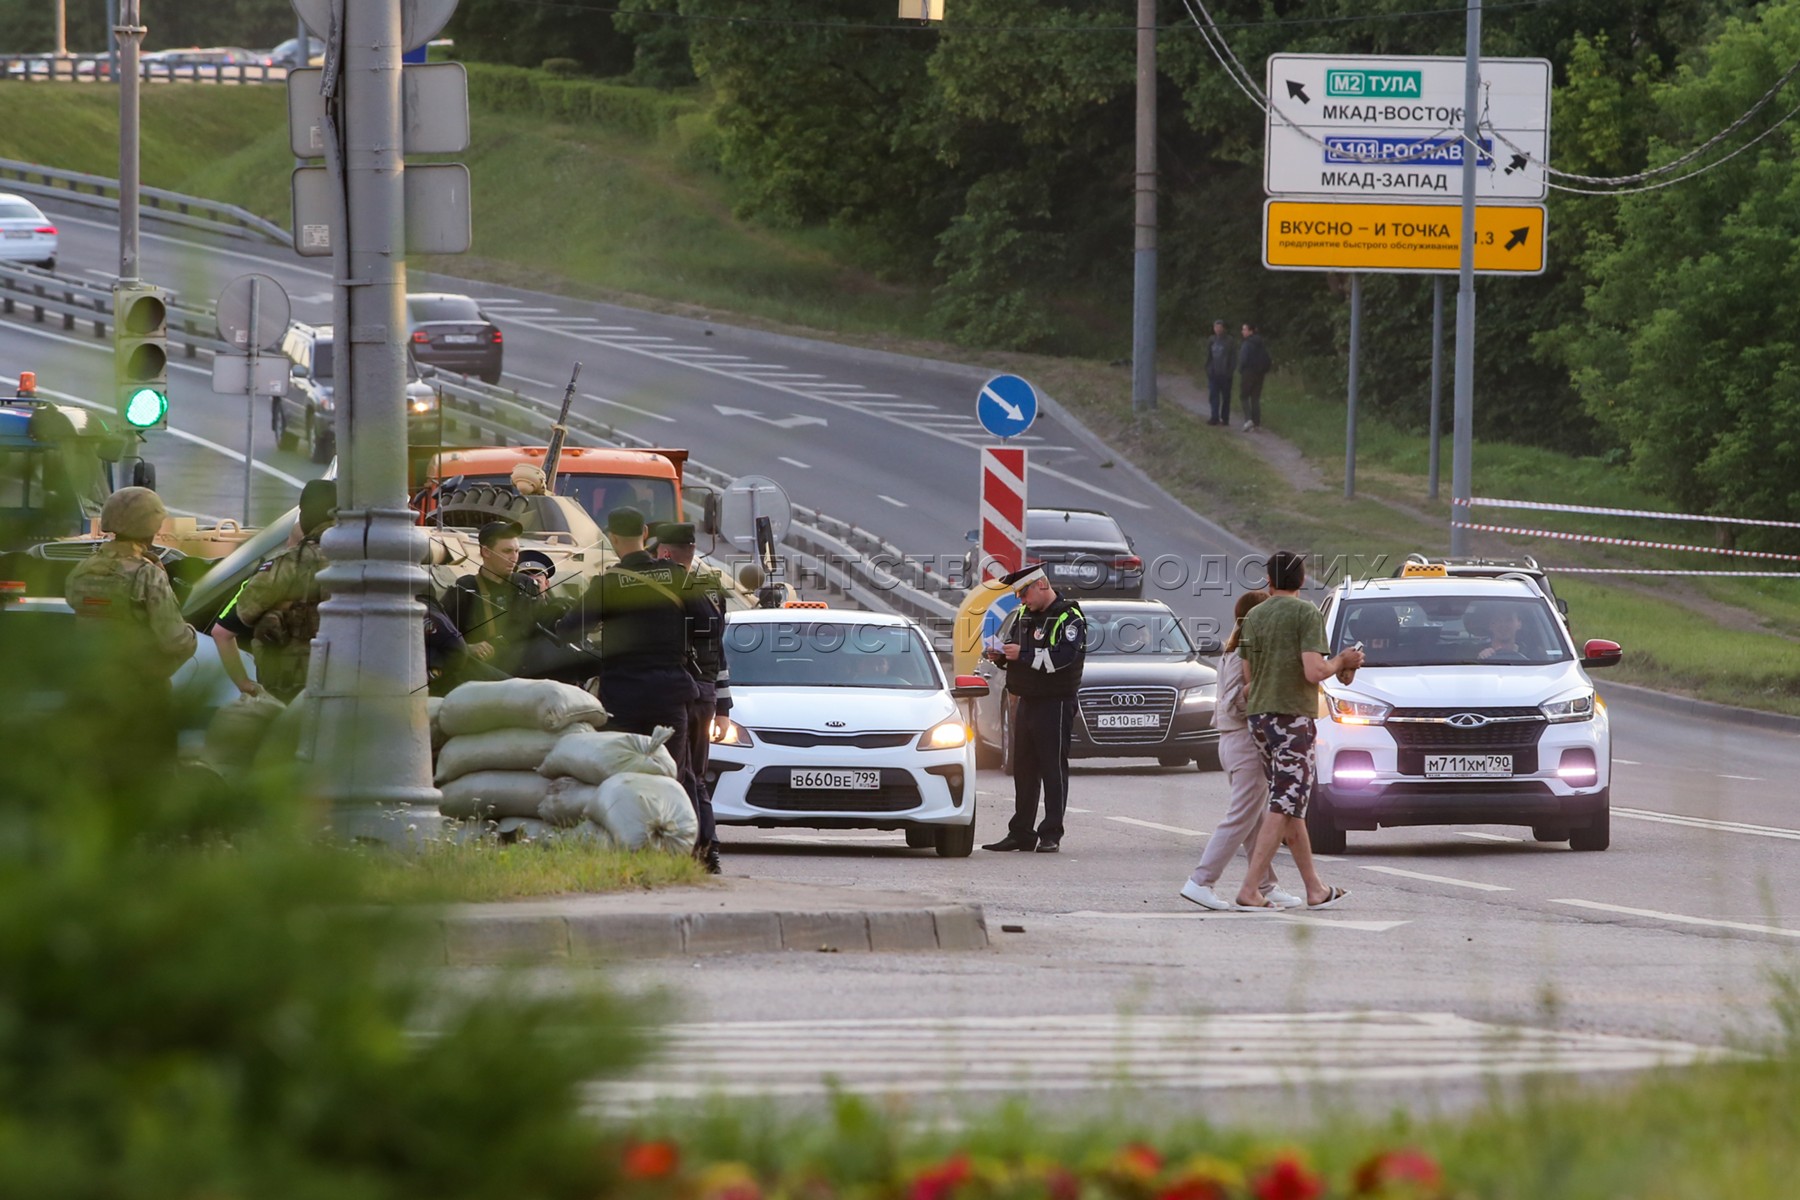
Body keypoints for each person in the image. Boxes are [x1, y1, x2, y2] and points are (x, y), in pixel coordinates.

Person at [1233, 550, 1362, 911]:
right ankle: (1249, 888)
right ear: (1302, 580)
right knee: (1284, 803)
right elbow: (1314, 672)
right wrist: (1343, 661)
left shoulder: (1254, 616)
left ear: (1269, 581)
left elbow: (1248, 677)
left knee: (1290, 803)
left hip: (1260, 718)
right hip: (1292, 720)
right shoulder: (1306, 613)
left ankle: (1314, 888)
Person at [1179, 590, 1304, 911]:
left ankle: (1265, 885)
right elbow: (1237, 699)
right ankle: (1201, 881)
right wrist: (1268, 682)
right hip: (1243, 741)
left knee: (1255, 821)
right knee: (1240, 818)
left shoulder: (1235, 650)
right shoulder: (1240, 656)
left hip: (1234, 741)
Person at [561, 506, 698, 782]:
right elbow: (708, 621)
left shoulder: (608, 584)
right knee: (669, 778)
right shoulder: (674, 575)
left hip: (623, 697)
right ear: (645, 533)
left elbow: (568, 631)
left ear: (612, 538)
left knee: (620, 777)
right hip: (670, 694)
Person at [982, 564, 1087, 854]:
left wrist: (1023, 655)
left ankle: (1051, 832)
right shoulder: (1024, 615)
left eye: (1024, 592)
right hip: (1025, 700)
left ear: (1041, 585)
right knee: (1024, 769)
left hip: (1055, 702)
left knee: (1052, 768)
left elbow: (1062, 658)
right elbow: (1014, 651)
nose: (1021, 600)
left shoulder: (1068, 616)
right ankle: (1021, 833)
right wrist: (1000, 656)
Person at [211, 479, 335, 702]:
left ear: (304, 515)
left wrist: (246, 685)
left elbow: (221, 633)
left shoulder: (283, 565)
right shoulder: (368, 558)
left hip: (288, 695)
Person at [63, 486, 196, 686]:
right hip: (138, 689)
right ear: (151, 526)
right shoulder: (148, 573)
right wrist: (192, 637)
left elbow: (75, 604)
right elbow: (175, 640)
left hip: (91, 683)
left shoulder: (83, 569)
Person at [657, 521, 731, 875]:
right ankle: (709, 847)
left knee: (680, 772)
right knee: (696, 776)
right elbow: (721, 653)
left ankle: (695, 846)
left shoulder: (670, 588)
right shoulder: (712, 587)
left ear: (666, 553)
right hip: (706, 694)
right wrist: (723, 705)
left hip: (682, 690)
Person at [442, 520, 554, 674]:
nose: (514, 557)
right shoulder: (466, 588)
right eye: (507, 551)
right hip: (483, 676)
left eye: (516, 551)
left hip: (525, 673)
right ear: (486, 552)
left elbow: (546, 626)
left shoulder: (526, 585)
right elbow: (439, 633)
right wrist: (467, 648)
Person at [1238, 322, 1272, 431]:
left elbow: (1243, 359)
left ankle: (1248, 420)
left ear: (1250, 331)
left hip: (1248, 372)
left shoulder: (1247, 343)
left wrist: (1240, 369)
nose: (1242, 332)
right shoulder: (1260, 343)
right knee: (1255, 398)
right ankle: (1257, 423)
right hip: (1260, 374)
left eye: (1244, 329)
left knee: (1244, 396)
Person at [1205, 318, 1237, 427]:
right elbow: (1208, 356)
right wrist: (1208, 369)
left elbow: (1233, 358)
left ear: (1223, 328)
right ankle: (1214, 417)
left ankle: (1225, 418)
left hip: (1225, 374)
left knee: (1226, 397)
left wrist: (1230, 371)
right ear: (1213, 328)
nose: (1217, 329)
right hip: (1213, 373)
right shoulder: (1211, 340)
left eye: (1219, 327)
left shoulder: (1229, 341)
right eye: (1216, 327)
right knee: (1213, 396)